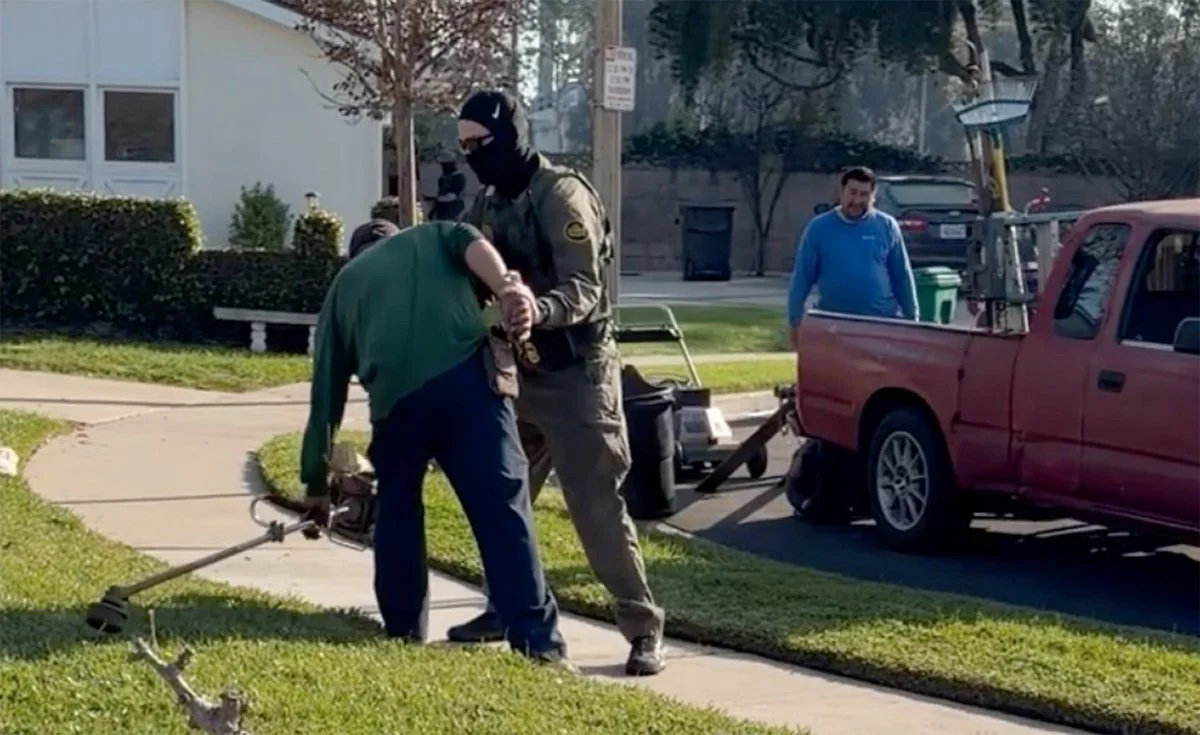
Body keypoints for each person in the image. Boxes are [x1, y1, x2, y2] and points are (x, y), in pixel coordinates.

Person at [448, 89, 667, 677]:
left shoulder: (562, 196)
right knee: (502, 497)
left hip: (576, 372)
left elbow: (586, 288)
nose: (471, 155)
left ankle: (643, 627)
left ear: (511, 136)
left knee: (594, 505)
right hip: (521, 373)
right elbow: (458, 252)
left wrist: (534, 310)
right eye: (462, 145)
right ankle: (507, 607)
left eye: (480, 143)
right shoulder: (489, 201)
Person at [297, 219, 572, 669]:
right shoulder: (434, 235)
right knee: (502, 507)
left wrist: (313, 486)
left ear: (354, 255)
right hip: (470, 381)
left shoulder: (343, 289)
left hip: (396, 404)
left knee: (398, 511)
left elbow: (325, 397)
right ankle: (539, 645)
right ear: (397, 236)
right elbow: (474, 243)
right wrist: (506, 287)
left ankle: (403, 630)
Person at [787, 166, 919, 347]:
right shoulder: (819, 228)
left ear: (873, 196)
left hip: (881, 325)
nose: (857, 200)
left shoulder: (887, 226)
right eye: (853, 193)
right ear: (841, 192)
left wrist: (913, 318)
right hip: (834, 326)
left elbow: (902, 275)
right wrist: (795, 320)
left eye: (864, 194)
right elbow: (802, 276)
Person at [430, 151, 467, 221]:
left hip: (452, 208)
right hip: (442, 208)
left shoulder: (458, 177)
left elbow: (453, 196)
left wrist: (437, 199)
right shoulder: (444, 177)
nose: (442, 167)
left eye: (444, 164)